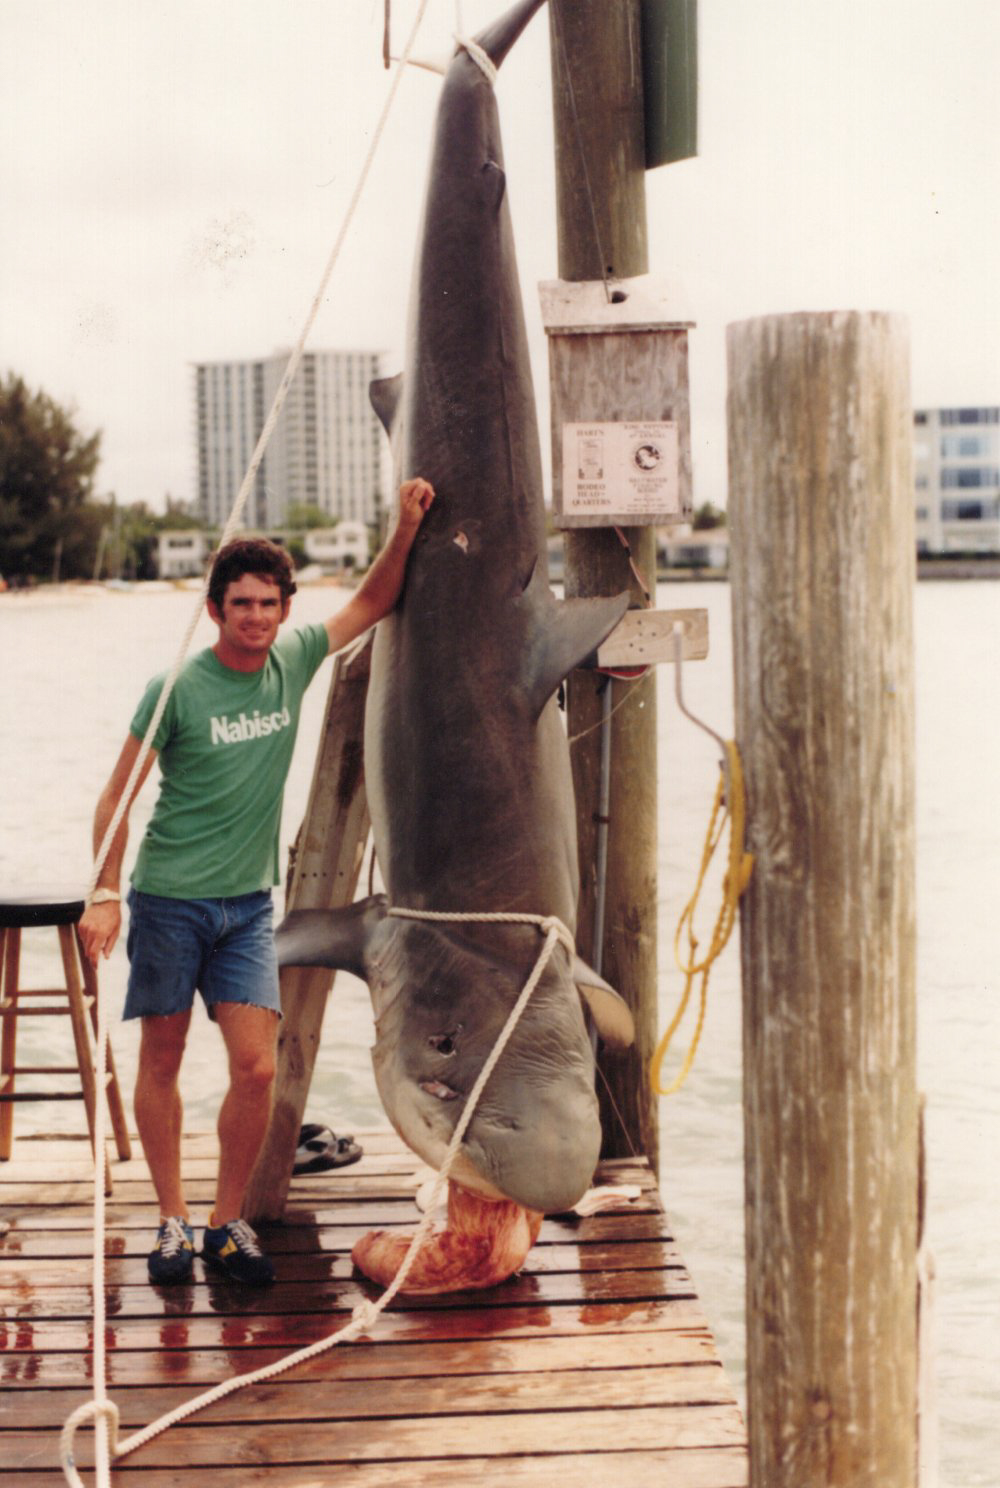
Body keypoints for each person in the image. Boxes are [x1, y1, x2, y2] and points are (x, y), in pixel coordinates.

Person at [78, 478, 434, 1287]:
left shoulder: (296, 659)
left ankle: (225, 1222)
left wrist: (405, 526)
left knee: (258, 1068)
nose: (257, 617)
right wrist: (104, 894)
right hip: (168, 899)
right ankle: (170, 1223)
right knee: (162, 1061)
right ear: (215, 611)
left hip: (245, 907)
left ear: (283, 609)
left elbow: (377, 597)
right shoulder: (175, 688)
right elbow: (115, 798)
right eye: (241, 604)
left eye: (269, 603)